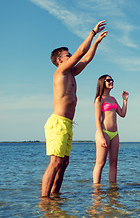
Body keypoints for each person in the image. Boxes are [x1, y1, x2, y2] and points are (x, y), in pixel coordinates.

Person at [42, 21, 108, 198]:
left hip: (68, 124)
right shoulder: (61, 71)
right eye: (67, 55)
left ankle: (55, 197)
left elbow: (86, 59)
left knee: (64, 163)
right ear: (59, 60)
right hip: (58, 122)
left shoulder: (71, 73)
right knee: (55, 162)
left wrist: (96, 44)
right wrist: (92, 33)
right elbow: (80, 53)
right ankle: (43, 200)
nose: (70, 56)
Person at [93, 75, 129, 184]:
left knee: (114, 163)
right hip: (104, 133)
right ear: (102, 83)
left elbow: (122, 114)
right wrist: (101, 135)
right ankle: (96, 190)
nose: (111, 82)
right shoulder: (99, 99)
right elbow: (97, 119)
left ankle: (113, 189)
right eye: (108, 80)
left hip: (115, 134)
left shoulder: (113, 99)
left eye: (112, 80)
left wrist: (125, 101)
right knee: (100, 163)